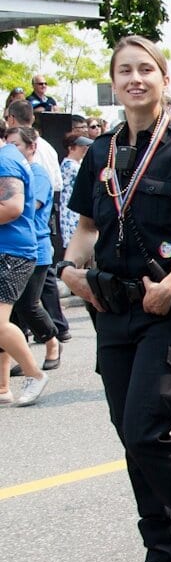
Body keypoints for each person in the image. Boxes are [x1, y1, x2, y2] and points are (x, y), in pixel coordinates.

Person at [60, 35, 171, 562]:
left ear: (163, 78)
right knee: (129, 436)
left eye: (145, 70)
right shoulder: (101, 151)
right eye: (124, 72)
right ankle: (163, 552)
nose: (135, 79)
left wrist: (170, 282)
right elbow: (86, 227)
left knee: (145, 429)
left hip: (169, 306)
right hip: (112, 309)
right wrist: (69, 268)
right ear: (113, 83)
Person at [5, 127, 61, 377]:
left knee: (29, 305)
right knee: (11, 311)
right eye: (10, 143)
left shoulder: (36, 172)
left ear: (31, 147)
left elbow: (30, 206)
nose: (12, 148)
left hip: (35, 247)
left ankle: (52, 343)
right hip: (19, 247)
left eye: (16, 144)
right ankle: (5, 378)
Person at [0, 132, 48, 407]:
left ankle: (35, 374)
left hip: (11, 251)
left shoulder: (5, 160)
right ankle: (3, 387)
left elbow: (11, 208)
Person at [60, 133, 92, 248]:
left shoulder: (76, 164)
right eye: (81, 146)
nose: (85, 149)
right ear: (71, 148)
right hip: (71, 211)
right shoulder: (70, 166)